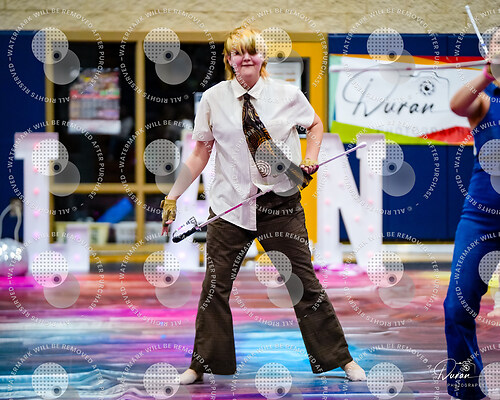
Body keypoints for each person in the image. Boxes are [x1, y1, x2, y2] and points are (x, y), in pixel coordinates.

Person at [160, 26, 366, 385]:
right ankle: (200, 365)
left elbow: (315, 125)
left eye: (252, 51)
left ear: (263, 56)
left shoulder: (287, 95)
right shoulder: (213, 99)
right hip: (230, 206)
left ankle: (341, 359)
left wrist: (311, 156)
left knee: (304, 284)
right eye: (238, 53)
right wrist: (172, 195)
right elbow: (200, 152)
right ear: (228, 59)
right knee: (214, 288)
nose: (246, 58)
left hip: (280, 204)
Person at [444, 29, 500, 400]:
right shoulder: (482, 97)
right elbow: (457, 105)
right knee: (457, 306)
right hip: (482, 216)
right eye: (499, 44)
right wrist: (487, 74)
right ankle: (466, 388)